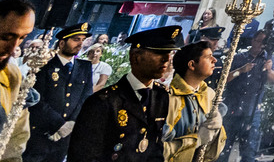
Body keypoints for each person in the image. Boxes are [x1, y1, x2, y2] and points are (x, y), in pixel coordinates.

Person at [69, 25, 186, 162]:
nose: (166, 59)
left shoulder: (161, 96)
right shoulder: (104, 101)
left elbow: (154, 147)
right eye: (158, 53)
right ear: (135, 57)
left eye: (169, 53)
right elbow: (83, 155)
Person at [28, 22, 95, 162]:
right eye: (76, 39)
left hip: (66, 135)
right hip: (42, 132)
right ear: (62, 44)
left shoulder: (84, 67)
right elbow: (37, 100)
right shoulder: (44, 66)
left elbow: (86, 98)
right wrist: (58, 124)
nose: (80, 44)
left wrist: (72, 123)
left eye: (83, 40)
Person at [216, 30, 274, 162]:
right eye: (259, 41)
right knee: (222, 149)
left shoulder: (268, 59)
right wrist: (241, 70)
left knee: (249, 152)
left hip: (252, 111)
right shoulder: (238, 58)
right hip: (233, 108)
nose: (261, 45)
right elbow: (225, 79)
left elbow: (273, 80)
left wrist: (269, 69)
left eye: (264, 43)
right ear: (253, 41)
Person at [163, 42, 225, 162]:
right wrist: (197, 140)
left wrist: (216, 129)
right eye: (208, 57)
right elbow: (161, 148)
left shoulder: (209, 94)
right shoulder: (168, 96)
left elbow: (210, 152)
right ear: (192, 64)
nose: (214, 60)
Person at [0, 0, 36, 162]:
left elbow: (16, 137)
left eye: (22, 38)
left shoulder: (11, 75)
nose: (14, 48)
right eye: (6, 37)